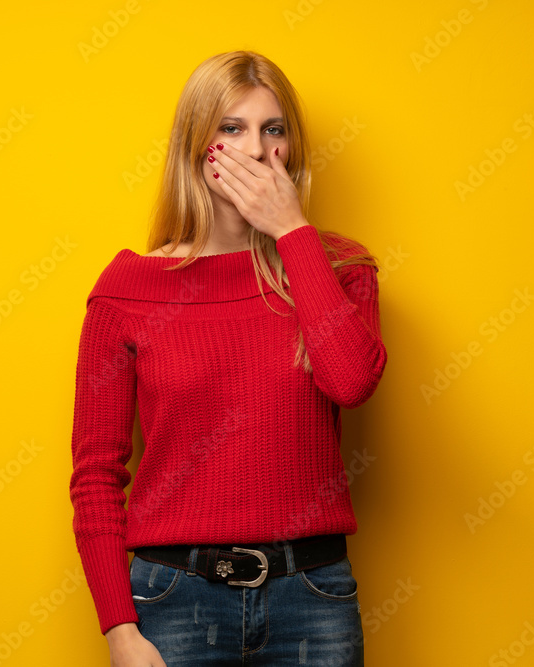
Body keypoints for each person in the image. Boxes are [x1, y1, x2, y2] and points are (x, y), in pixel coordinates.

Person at [69, 50, 387, 666]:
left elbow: (351, 382)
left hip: (312, 597)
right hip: (173, 599)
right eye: (231, 128)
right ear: (196, 145)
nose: (255, 150)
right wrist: (119, 631)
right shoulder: (128, 289)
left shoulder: (342, 269)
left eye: (273, 129)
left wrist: (292, 231)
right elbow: (96, 475)